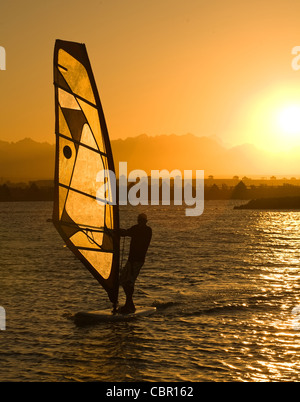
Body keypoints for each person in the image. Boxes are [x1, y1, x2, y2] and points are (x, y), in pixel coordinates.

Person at [118, 213, 152, 314]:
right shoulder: (136, 228)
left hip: (138, 260)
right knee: (123, 280)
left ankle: (129, 305)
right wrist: (115, 231)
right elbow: (126, 232)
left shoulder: (147, 230)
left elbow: (127, 233)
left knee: (129, 281)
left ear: (145, 222)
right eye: (139, 220)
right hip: (131, 259)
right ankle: (130, 303)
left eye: (142, 221)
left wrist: (119, 231)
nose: (140, 222)